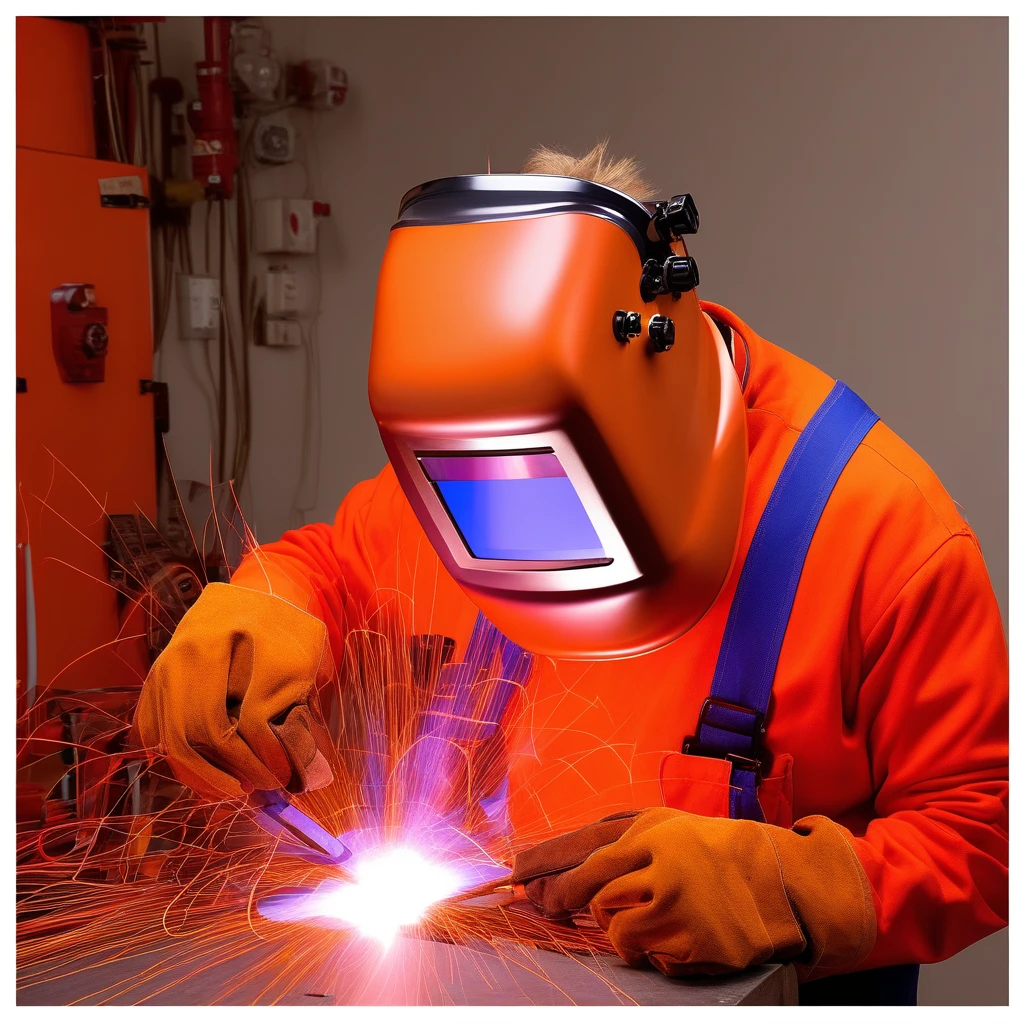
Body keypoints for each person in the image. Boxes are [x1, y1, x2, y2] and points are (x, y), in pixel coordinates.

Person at [132, 143, 1008, 1004]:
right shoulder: (480, 453)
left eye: (552, 481)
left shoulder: (880, 529)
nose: (513, 523)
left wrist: (788, 886)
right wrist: (260, 601)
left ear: (658, 396)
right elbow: (330, 560)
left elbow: (988, 834)